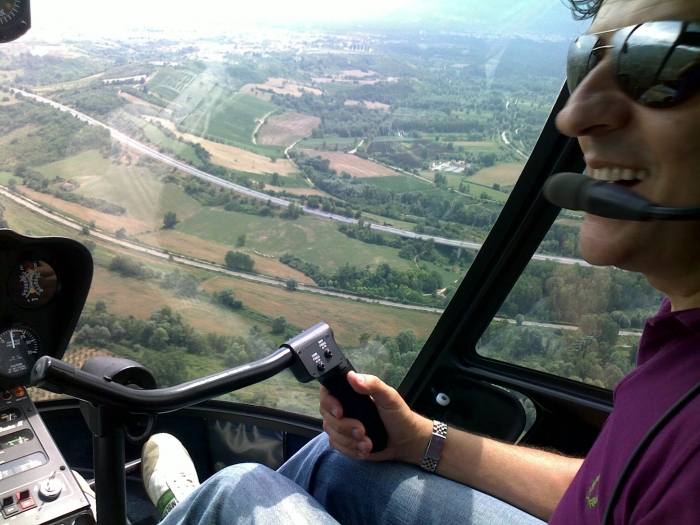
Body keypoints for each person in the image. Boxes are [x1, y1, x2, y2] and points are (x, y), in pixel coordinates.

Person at [143, 0, 700, 523]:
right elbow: (608, 491)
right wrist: (418, 437)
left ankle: (188, 506)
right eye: (587, 62)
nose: (574, 115)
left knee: (240, 493)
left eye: (657, 58)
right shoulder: (682, 339)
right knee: (336, 461)